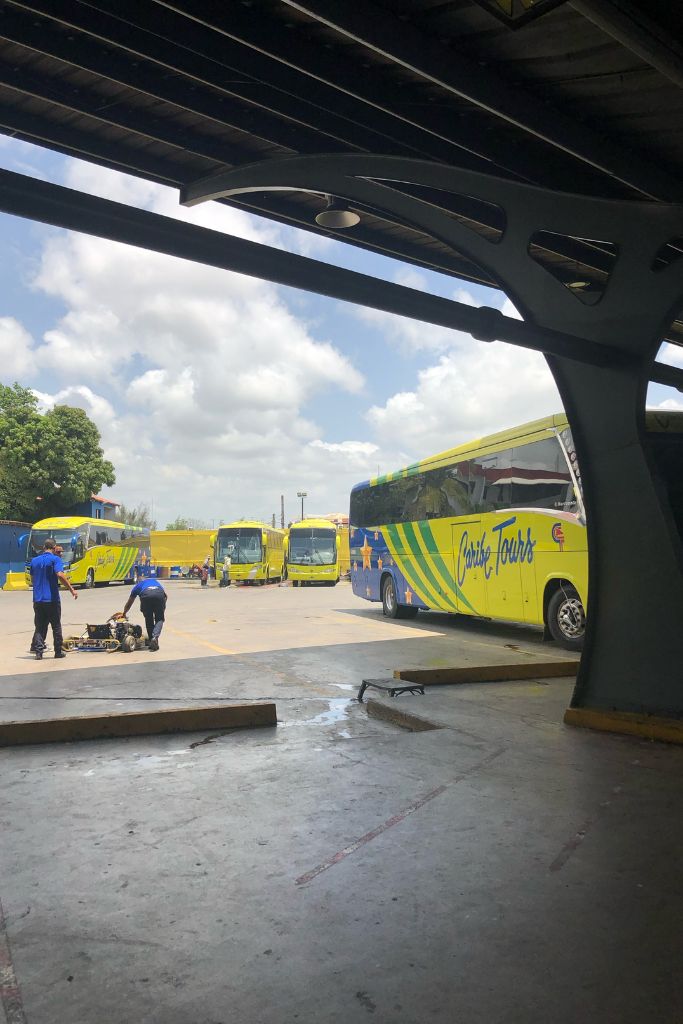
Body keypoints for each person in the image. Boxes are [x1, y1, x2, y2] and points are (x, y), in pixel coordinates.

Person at [30, 538, 78, 660]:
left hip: (38, 599)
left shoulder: (34, 561)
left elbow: (32, 579)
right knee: (56, 626)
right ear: (54, 547)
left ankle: (38, 652)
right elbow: (60, 574)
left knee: (40, 626)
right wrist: (71, 589)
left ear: (43, 547)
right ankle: (58, 651)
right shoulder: (55, 559)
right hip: (51, 599)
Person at [121, 576, 167, 651]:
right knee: (159, 619)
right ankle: (155, 638)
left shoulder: (137, 586)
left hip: (146, 596)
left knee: (149, 619)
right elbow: (165, 596)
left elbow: (129, 603)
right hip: (159, 594)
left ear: (138, 582)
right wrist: (162, 609)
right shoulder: (154, 581)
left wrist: (124, 613)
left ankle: (152, 639)